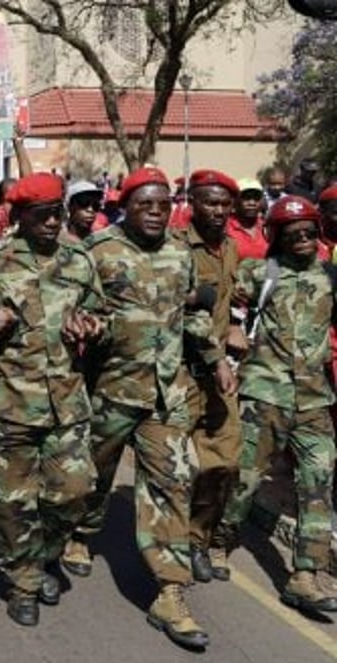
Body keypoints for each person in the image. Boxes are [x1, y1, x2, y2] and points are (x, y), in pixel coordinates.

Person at [68, 167, 222, 651]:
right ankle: (80, 531)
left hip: (166, 394)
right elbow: (72, 306)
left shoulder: (180, 252)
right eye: (145, 205)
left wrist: (216, 359)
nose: (156, 212)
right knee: (95, 472)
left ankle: (170, 591)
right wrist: (84, 326)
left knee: (174, 482)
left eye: (163, 204)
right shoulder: (97, 252)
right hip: (111, 389)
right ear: (126, 206)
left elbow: (192, 312)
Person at [0, 173, 106, 627]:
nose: (52, 223)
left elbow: (102, 314)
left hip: (67, 401)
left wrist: (90, 325)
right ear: (19, 217)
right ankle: (24, 581)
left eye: (57, 213)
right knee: (13, 502)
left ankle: (44, 552)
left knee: (73, 491)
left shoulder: (79, 260)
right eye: (42, 215)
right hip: (6, 404)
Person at [218, 196, 337, 614]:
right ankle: (220, 538)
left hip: (314, 400)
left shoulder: (331, 277)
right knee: (247, 477)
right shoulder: (261, 274)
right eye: (293, 234)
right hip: (265, 393)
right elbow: (224, 301)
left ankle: (306, 574)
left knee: (318, 479)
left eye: (309, 232)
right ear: (278, 237)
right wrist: (233, 327)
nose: (303, 240)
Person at [172, 170, 243, 584]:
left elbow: (229, 303)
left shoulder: (230, 248)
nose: (218, 211)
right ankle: (168, 546)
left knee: (224, 465)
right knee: (176, 469)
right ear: (192, 203)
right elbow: (183, 311)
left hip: (218, 377)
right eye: (210, 202)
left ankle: (197, 541)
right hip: (179, 373)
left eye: (223, 204)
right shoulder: (176, 248)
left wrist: (234, 325)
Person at [227, 179, 269, 261]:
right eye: (246, 198)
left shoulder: (267, 227)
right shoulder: (225, 228)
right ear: (235, 200)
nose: (252, 203)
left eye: (256, 198)